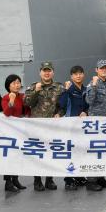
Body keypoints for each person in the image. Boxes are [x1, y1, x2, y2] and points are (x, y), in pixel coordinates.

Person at [24, 61, 64, 191]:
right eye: (44, 70)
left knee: (51, 153)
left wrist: (59, 113)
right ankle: (37, 180)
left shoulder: (59, 88)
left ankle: (49, 180)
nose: (47, 73)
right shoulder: (33, 87)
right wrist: (36, 91)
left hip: (53, 126)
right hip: (37, 127)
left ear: (53, 72)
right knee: (38, 153)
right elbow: (27, 103)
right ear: (40, 72)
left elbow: (63, 105)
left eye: (49, 70)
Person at [59, 65, 95, 191]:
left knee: (80, 152)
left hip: (83, 127)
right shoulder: (69, 89)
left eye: (80, 73)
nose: (78, 76)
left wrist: (86, 112)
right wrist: (66, 90)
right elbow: (62, 104)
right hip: (71, 127)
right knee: (70, 153)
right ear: (71, 76)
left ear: (83, 75)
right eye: (75, 74)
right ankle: (68, 180)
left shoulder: (85, 89)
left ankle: (78, 176)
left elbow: (88, 105)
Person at [85, 60, 106, 189]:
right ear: (96, 70)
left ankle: (101, 178)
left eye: (105, 68)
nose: (104, 70)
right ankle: (91, 181)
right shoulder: (92, 84)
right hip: (95, 125)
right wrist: (93, 85)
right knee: (94, 152)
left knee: (103, 152)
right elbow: (89, 100)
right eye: (101, 68)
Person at [1, 74, 29, 192]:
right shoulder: (6, 98)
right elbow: (7, 113)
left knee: (18, 156)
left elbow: (27, 110)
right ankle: (8, 182)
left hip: (21, 131)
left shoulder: (23, 96)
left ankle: (15, 179)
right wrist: (11, 100)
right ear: (8, 86)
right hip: (10, 131)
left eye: (18, 82)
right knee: (10, 157)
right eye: (14, 83)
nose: (17, 85)